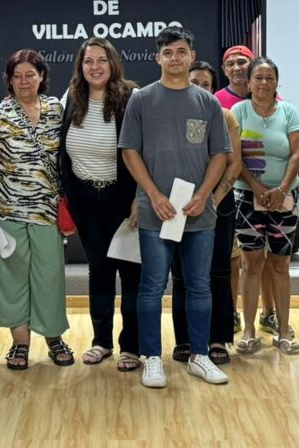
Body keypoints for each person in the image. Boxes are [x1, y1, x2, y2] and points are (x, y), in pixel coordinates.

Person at [120, 26, 231, 388]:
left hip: (198, 212)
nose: (175, 58)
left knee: (199, 285)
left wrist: (204, 194)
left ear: (191, 55)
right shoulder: (141, 100)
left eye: (181, 51)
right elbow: (130, 151)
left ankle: (199, 355)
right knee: (153, 286)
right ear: (158, 58)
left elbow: (220, 155)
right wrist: (153, 195)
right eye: (168, 53)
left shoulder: (208, 103)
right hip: (157, 211)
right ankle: (153, 358)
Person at [0, 49, 72, 370]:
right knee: (11, 278)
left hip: (47, 209)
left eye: (30, 75)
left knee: (50, 277)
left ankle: (53, 338)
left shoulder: (56, 110)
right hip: (6, 209)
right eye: (17, 76)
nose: (24, 81)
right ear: (9, 80)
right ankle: (20, 343)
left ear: (41, 77)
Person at [59, 37, 141, 371]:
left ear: (113, 63)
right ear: (80, 66)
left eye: (101, 60)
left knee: (132, 274)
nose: (95, 67)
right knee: (100, 272)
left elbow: (144, 151)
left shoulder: (131, 97)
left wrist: (140, 197)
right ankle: (102, 341)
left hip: (124, 199)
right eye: (88, 61)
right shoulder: (70, 98)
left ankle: (131, 346)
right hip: (86, 201)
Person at [173, 60, 242, 366]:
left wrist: (211, 199)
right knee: (181, 273)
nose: (200, 89)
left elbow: (234, 163)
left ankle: (217, 338)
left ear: (213, 89)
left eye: (206, 84)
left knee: (218, 271)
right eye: (194, 83)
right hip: (180, 202)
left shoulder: (224, 115)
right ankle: (185, 339)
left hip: (218, 204)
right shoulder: (171, 114)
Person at [233, 57, 299, 356]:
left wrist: (281, 189)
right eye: (258, 78)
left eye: (270, 78)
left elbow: (297, 154)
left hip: (285, 198)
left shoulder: (288, 112)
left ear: (277, 82)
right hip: (247, 198)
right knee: (250, 264)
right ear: (248, 82)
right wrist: (258, 188)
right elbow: (235, 158)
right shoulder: (238, 111)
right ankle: (249, 331)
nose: (264, 83)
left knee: (280, 264)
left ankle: (283, 330)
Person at [215, 44, 280, 336]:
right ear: (224, 70)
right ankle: (231, 313)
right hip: (235, 191)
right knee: (234, 259)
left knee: (265, 259)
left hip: (271, 192)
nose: (237, 68)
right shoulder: (218, 101)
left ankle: (269, 313)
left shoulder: (275, 101)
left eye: (242, 62)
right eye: (230, 64)